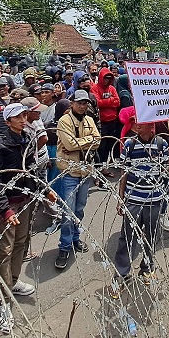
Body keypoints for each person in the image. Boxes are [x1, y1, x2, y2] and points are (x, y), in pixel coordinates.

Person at [0, 103, 43, 333]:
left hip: (25, 199)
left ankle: (14, 279)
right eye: (17, 117)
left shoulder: (26, 138)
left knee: (21, 243)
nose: (23, 120)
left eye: (24, 116)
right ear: (8, 121)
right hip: (9, 204)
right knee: (5, 250)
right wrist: (5, 210)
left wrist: (41, 189)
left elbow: (30, 169)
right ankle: (4, 302)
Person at [110, 121, 169, 297]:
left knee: (151, 236)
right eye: (146, 125)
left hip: (154, 199)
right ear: (137, 128)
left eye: (152, 125)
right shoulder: (129, 145)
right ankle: (121, 273)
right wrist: (121, 199)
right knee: (127, 237)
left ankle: (146, 269)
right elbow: (124, 173)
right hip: (134, 199)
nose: (151, 128)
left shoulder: (161, 144)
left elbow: (166, 171)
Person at [54, 90, 101, 270]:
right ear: (72, 103)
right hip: (70, 172)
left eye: (85, 103)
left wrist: (82, 141)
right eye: (79, 102)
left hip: (86, 171)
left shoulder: (89, 120)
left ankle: (75, 238)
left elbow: (98, 140)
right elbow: (69, 144)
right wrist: (88, 141)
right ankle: (64, 247)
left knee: (79, 209)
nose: (83, 106)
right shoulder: (64, 121)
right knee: (68, 212)